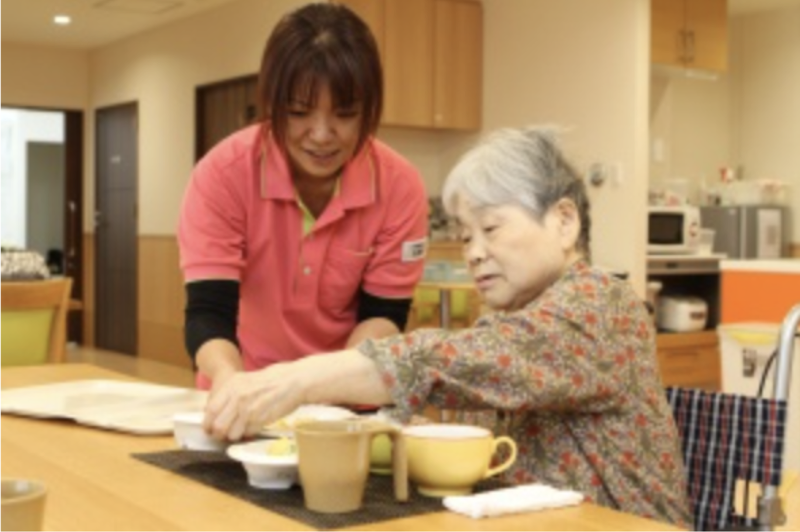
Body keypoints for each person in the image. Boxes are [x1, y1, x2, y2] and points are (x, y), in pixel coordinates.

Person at [203, 126, 692, 527]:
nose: (473, 253)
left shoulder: (600, 306)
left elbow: (448, 359)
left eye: (491, 228)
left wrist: (294, 381)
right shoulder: (505, 320)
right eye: (465, 236)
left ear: (564, 221)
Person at [178, 3, 429, 391]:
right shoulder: (222, 175)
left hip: (346, 393)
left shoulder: (400, 187)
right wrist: (231, 382)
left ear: (369, 110)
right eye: (298, 112)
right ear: (272, 104)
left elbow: (384, 316)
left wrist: (318, 386)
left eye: (345, 114)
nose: (322, 135)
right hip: (246, 385)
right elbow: (208, 313)